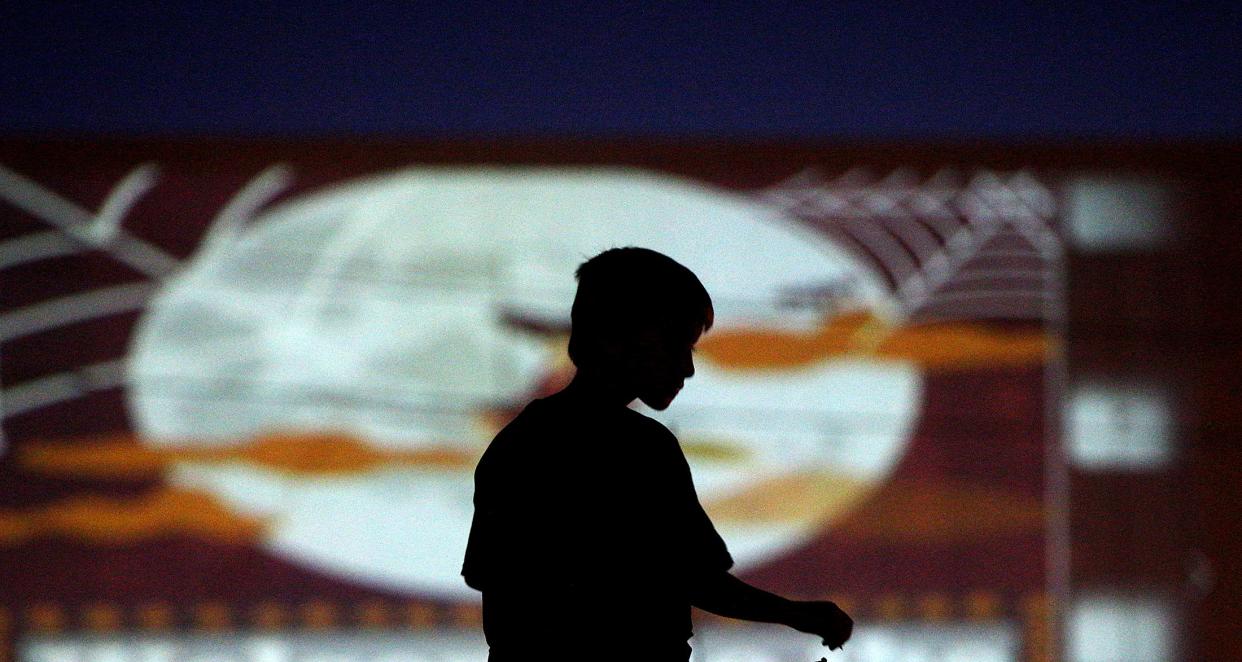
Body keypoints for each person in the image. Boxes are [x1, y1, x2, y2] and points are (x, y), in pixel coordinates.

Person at [462, 247, 852, 661]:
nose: (686, 367)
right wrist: (795, 614)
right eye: (675, 345)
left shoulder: (518, 444)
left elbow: (499, 589)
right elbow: (698, 579)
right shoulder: (644, 448)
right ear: (615, 341)